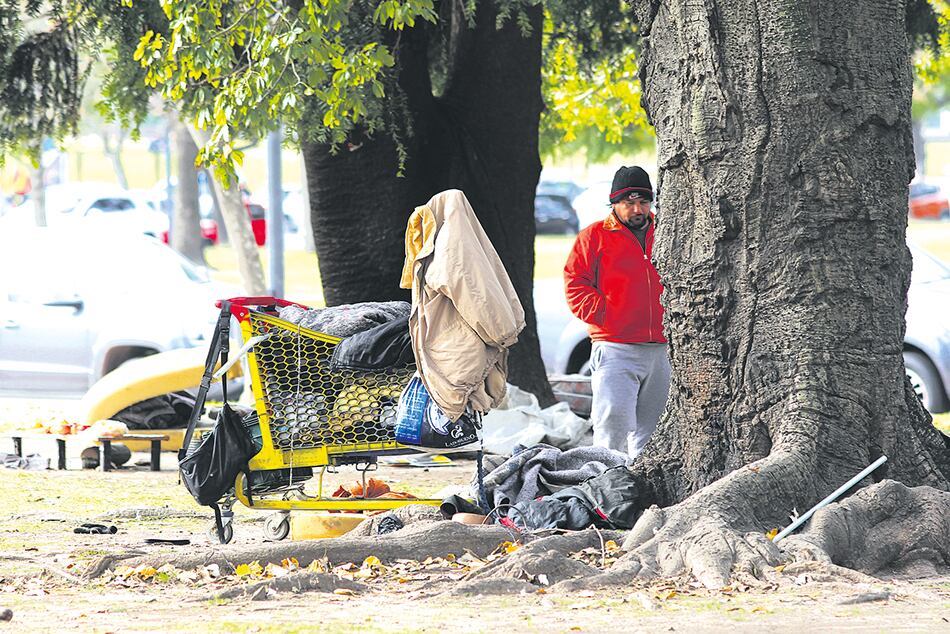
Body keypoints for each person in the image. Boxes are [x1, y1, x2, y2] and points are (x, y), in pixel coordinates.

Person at [563, 165, 670, 457]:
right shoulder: (593, 237)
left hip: (661, 348)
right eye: (629, 202)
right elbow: (575, 284)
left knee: (653, 431)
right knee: (612, 425)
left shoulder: (668, 232)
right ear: (614, 203)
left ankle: (640, 490)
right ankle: (604, 486)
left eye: (644, 202)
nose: (638, 209)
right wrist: (606, 313)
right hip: (616, 347)